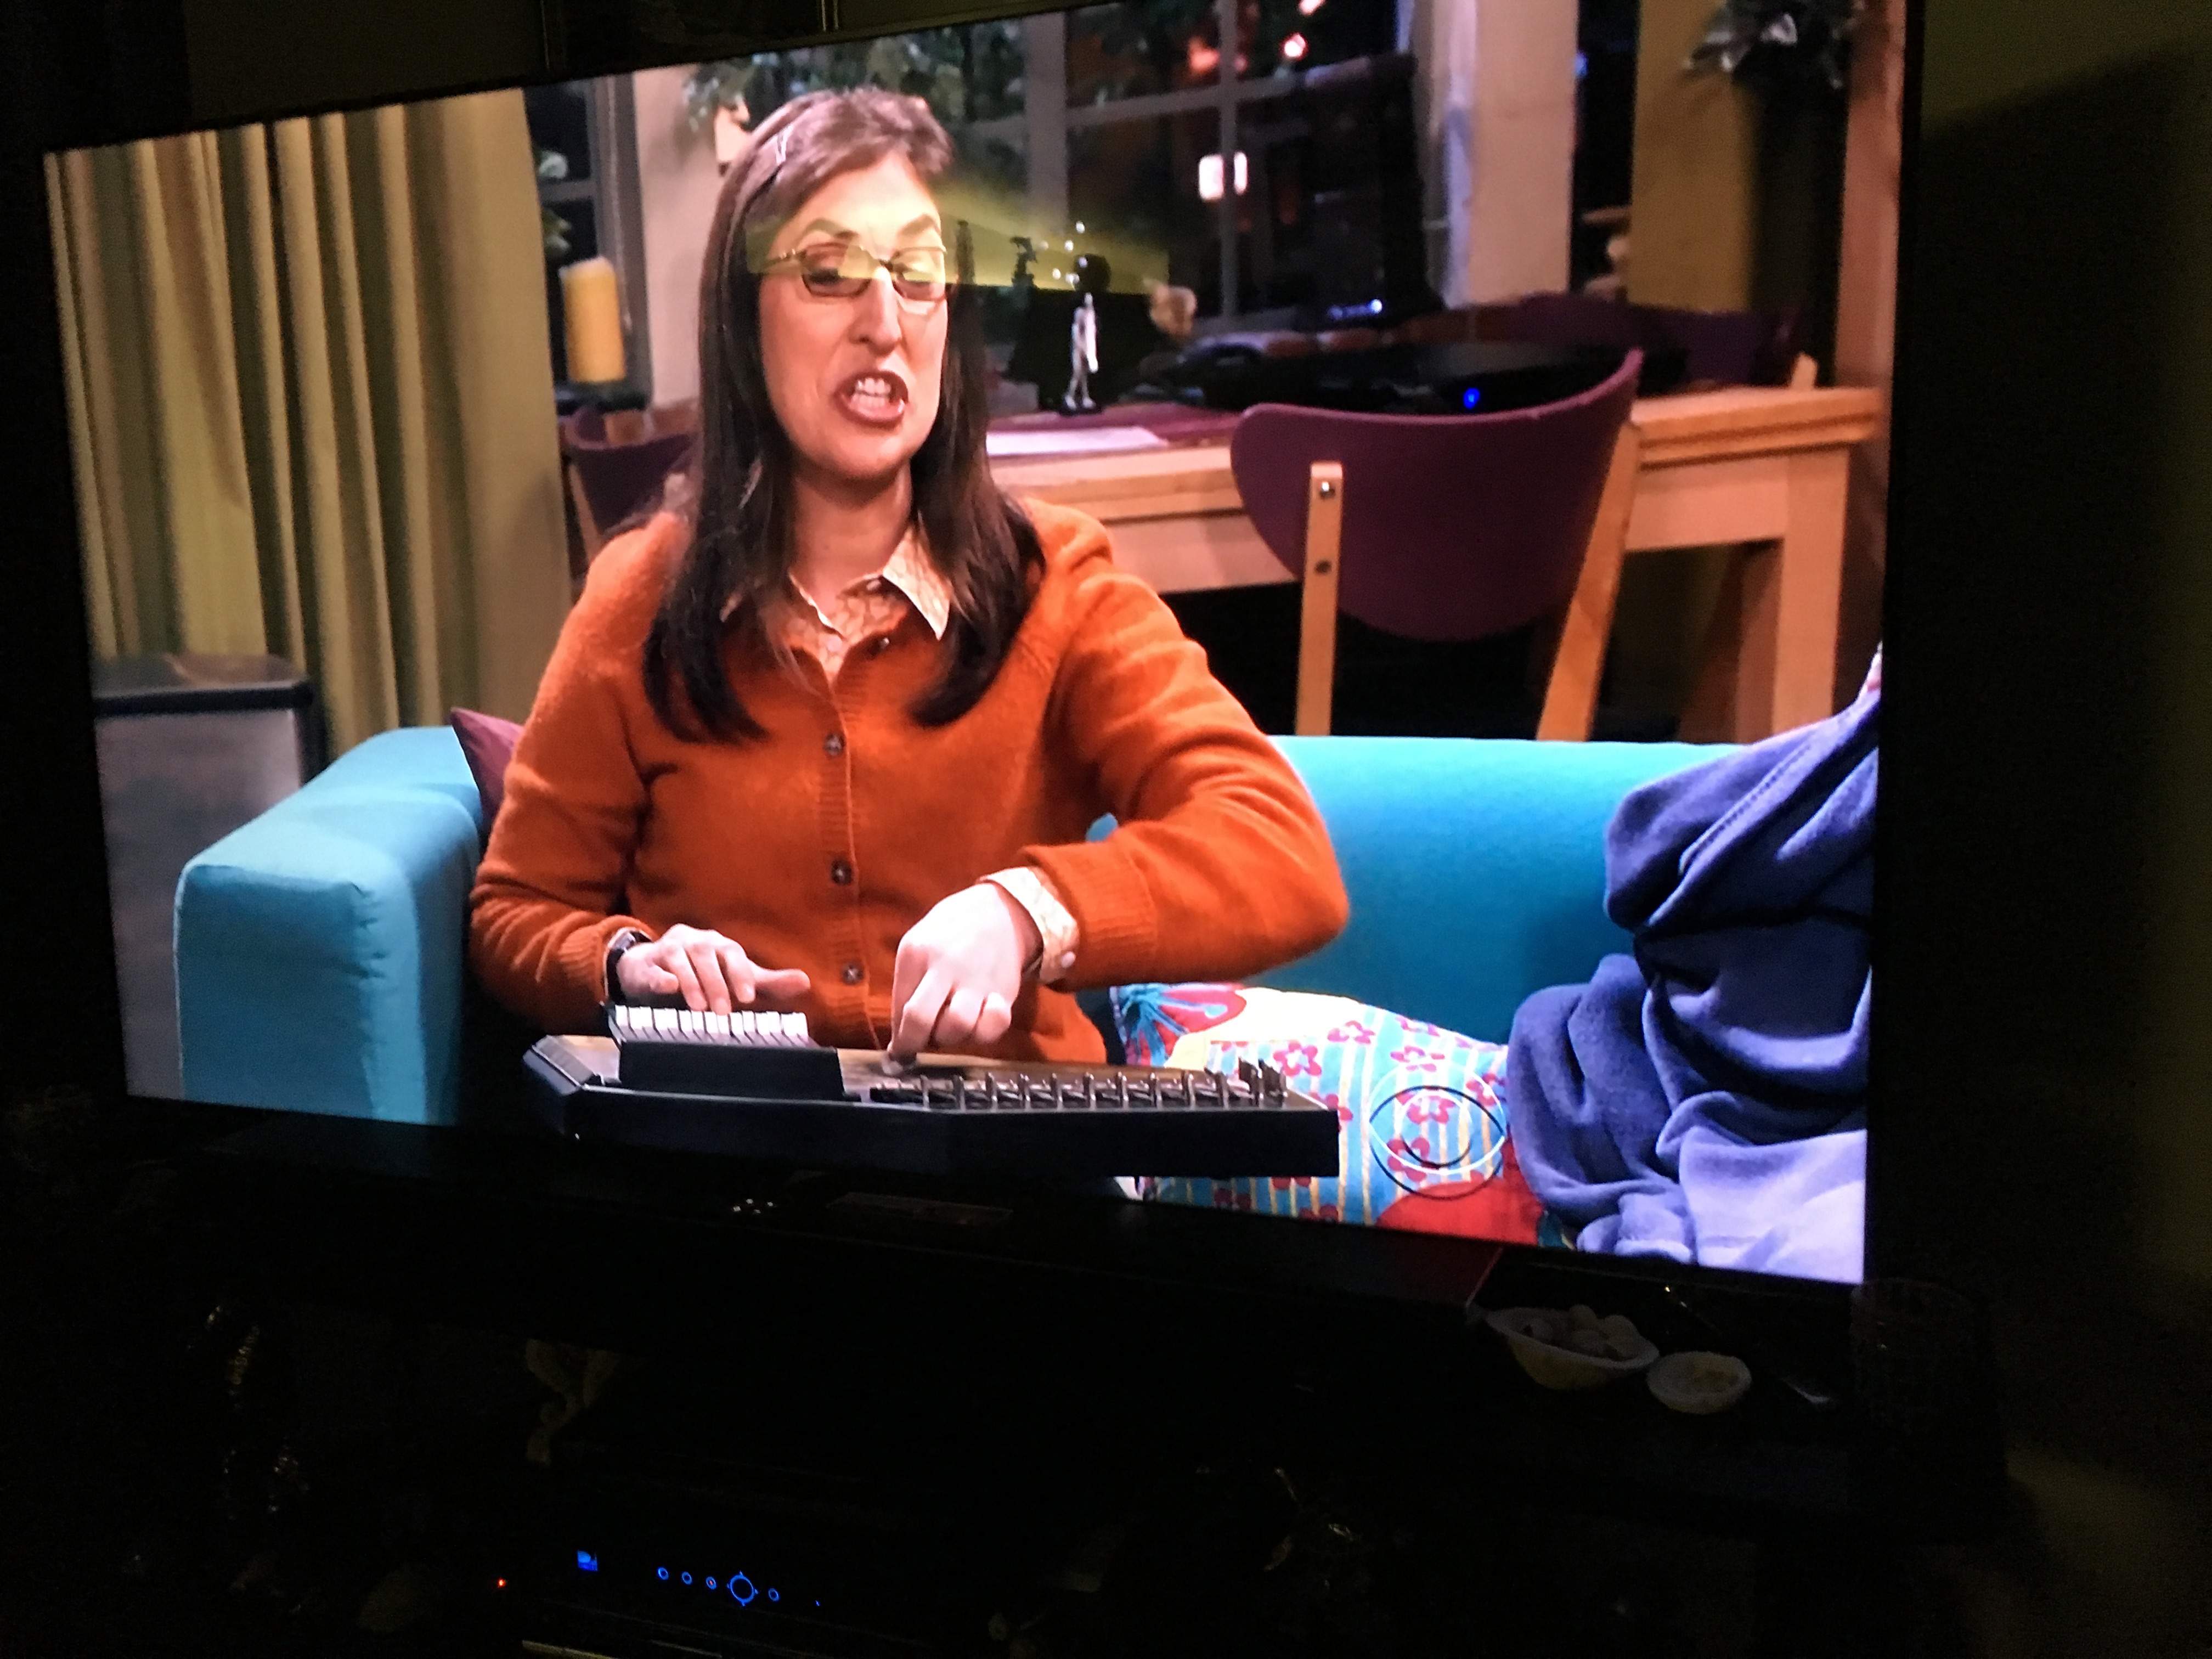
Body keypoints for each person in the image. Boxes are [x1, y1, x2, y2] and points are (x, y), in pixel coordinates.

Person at [470, 88, 1348, 1063]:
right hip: (741, 1142)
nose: (884, 324)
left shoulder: (1055, 582)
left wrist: (1029, 910)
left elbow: (1282, 850)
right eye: (829, 274)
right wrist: (628, 963)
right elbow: (515, 913)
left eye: (919, 276)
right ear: (742, 317)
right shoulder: (641, 597)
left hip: (1012, 1143)